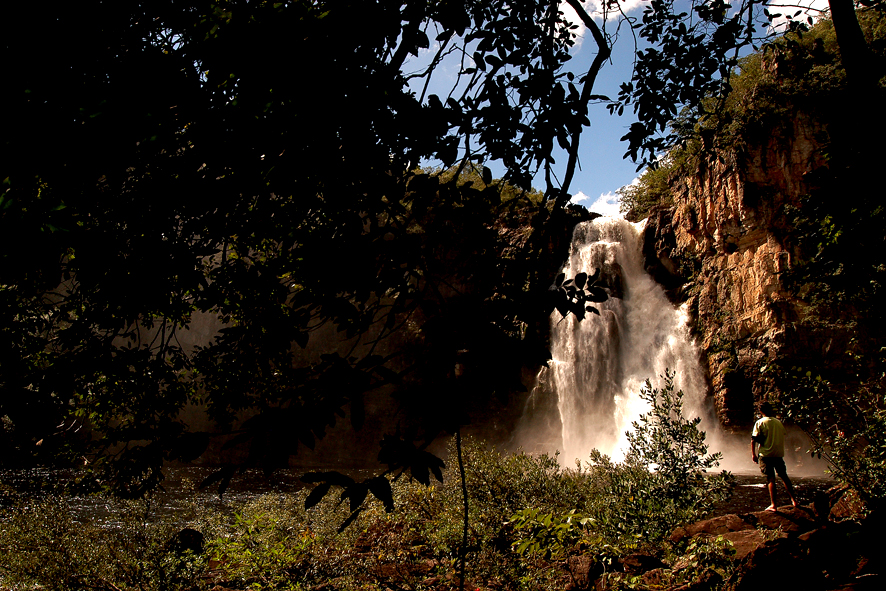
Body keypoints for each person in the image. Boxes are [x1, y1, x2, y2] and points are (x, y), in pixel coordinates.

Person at [751, 401, 798, 511]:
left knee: (771, 479)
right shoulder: (778, 422)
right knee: (784, 477)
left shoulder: (760, 422)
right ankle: (794, 501)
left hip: (765, 454)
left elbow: (754, 439)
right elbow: (782, 435)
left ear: (760, 411)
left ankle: (774, 505)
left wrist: (753, 454)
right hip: (778, 454)